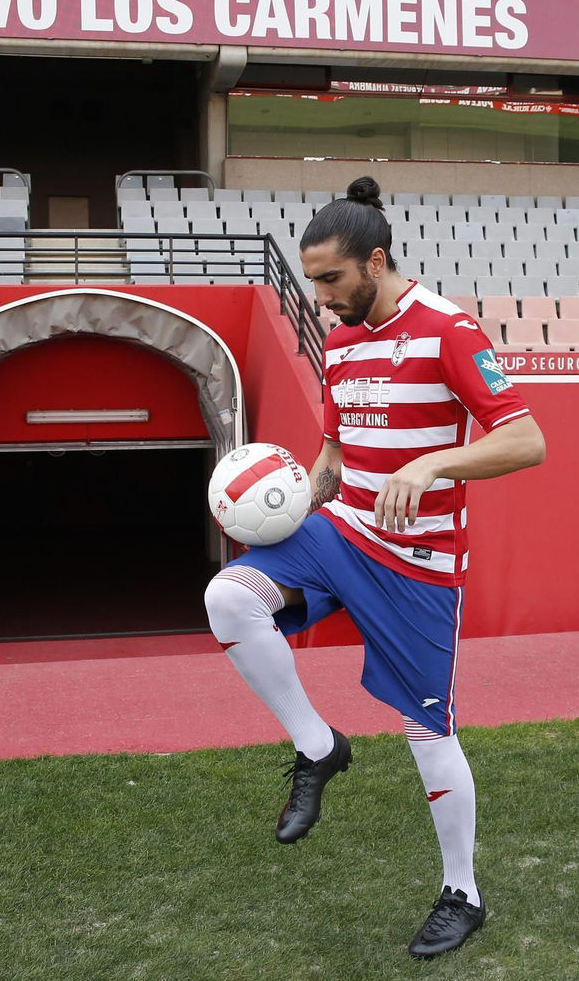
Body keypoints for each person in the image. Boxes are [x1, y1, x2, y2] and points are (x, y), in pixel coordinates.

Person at [203, 176, 546, 958]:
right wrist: (288, 506)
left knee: (428, 730)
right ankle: (318, 746)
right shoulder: (341, 339)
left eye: (331, 279)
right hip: (342, 531)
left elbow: (526, 441)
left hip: (420, 563)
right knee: (231, 597)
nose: (321, 297)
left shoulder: (449, 330)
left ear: (376, 260)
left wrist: (432, 466)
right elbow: (333, 452)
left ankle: (463, 892)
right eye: (312, 281)